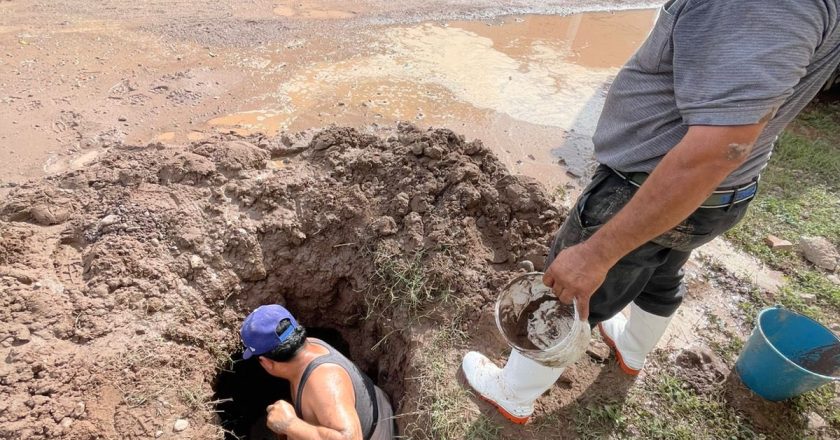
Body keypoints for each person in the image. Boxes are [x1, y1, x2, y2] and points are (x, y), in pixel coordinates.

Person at [462, 0, 840, 424]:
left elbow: (718, 149)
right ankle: (632, 346)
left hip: (648, 189)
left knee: (573, 291)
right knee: (664, 267)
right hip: (713, 197)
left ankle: (513, 392)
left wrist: (597, 253)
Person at [240, 304, 396, 439]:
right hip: (369, 412)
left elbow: (352, 438)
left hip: (376, 432)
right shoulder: (308, 345)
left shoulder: (323, 382)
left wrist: (290, 424)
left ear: (266, 363)